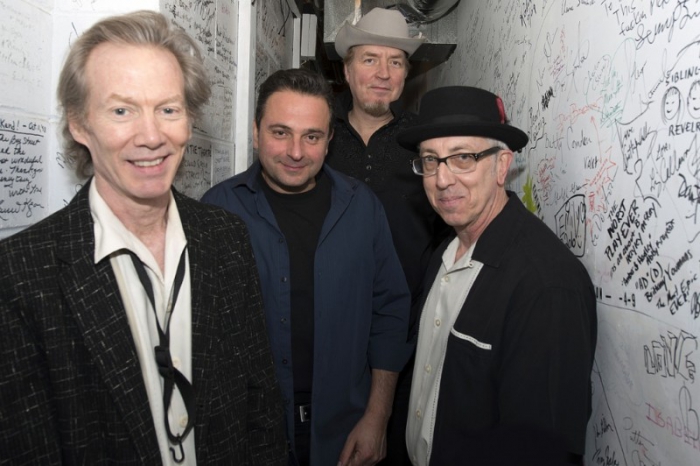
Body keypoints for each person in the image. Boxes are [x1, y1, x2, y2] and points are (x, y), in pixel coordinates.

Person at [0, 11, 286, 465]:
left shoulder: (227, 239)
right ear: (79, 124)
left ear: (189, 122)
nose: (151, 136)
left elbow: (261, 408)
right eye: (121, 110)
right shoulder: (19, 275)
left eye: (168, 109)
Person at [201, 68, 412, 466]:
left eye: (311, 136)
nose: (296, 152)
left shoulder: (362, 207)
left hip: (346, 434)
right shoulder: (218, 211)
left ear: (329, 139)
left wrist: (377, 416)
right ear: (256, 131)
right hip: (247, 436)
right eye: (280, 132)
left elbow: (390, 312)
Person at [397, 86, 597, 466]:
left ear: (502, 166)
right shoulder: (443, 250)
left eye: (463, 158)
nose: (442, 180)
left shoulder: (546, 285)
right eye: (430, 160)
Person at [327, 9, 449, 465]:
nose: (383, 74)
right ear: (346, 68)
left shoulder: (425, 144)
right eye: (370, 59)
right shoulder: (317, 137)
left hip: (406, 350)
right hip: (326, 338)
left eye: (395, 62)